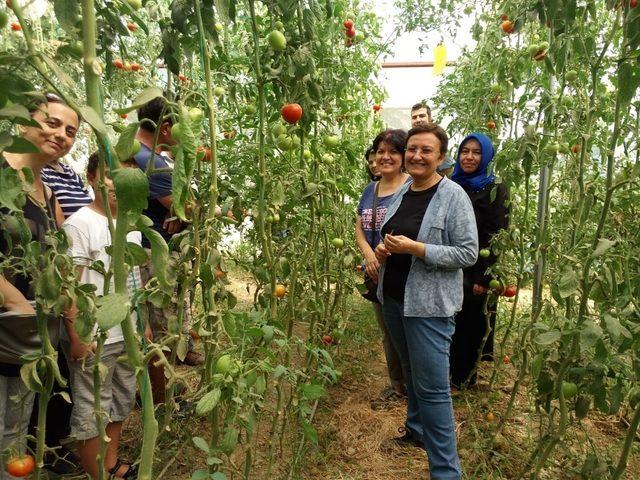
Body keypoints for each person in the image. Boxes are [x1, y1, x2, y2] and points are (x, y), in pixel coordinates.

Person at [375, 124, 478, 479]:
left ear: (441, 157)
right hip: (394, 298)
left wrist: (417, 249)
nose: (417, 156)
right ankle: (416, 430)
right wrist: (384, 249)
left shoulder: (453, 196)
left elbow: (468, 253)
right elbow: (393, 235)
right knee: (412, 373)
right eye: (412, 149)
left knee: (434, 390)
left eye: (427, 151)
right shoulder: (404, 191)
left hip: (429, 307)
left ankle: (447, 472)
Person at [0, 93, 78, 479]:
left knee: (14, 429)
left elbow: (58, 259)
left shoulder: (47, 194)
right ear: (23, 122)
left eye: (71, 131)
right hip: (14, 321)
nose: (61, 135)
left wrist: (68, 307)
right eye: (52, 123)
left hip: (21, 338)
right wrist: (14, 298)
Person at [61, 152, 147, 479]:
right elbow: (68, 286)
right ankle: (97, 473)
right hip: (94, 338)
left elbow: (134, 283)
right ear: (92, 177)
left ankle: (110, 465)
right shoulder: (80, 224)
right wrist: (76, 334)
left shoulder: (133, 227)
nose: (119, 184)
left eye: (129, 177)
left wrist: (141, 327)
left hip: (127, 334)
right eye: (112, 175)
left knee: (121, 402)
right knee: (92, 411)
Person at [133, 97, 203, 371]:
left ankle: (180, 355)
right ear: (166, 129)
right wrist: (187, 213)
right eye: (181, 127)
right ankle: (167, 384)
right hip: (155, 253)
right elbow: (190, 209)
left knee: (167, 311)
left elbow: (181, 209)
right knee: (164, 319)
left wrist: (181, 213)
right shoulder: (151, 162)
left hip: (152, 248)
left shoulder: (137, 153)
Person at [449, 133, 509, 388]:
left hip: (476, 268)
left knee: (471, 322)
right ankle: (450, 373)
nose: (469, 157)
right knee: (451, 320)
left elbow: (496, 234)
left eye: (476, 152)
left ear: (486, 156)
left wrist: (484, 276)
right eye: (465, 151)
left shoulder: (495, 188)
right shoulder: (452, 184)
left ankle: (465, 378)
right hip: (451, 261)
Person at [355, 131, 410, 408]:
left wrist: (383, 257)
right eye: (380, 151)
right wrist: (369, 256)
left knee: (408, 331)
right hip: (375, 272)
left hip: (404, 274)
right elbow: (360, 228)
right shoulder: (371, 189)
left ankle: (415, 388)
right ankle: (397, 386)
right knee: (388, 330)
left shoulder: (412, 187)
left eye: (393, 151)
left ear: (403, 157)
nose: (385, 157)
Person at [410, 102, 454, 176]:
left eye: (422, 116)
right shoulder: (408, 139)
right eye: (414, 117)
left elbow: (448, 170)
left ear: (429, 118)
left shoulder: (437, 138)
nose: (418, 120)